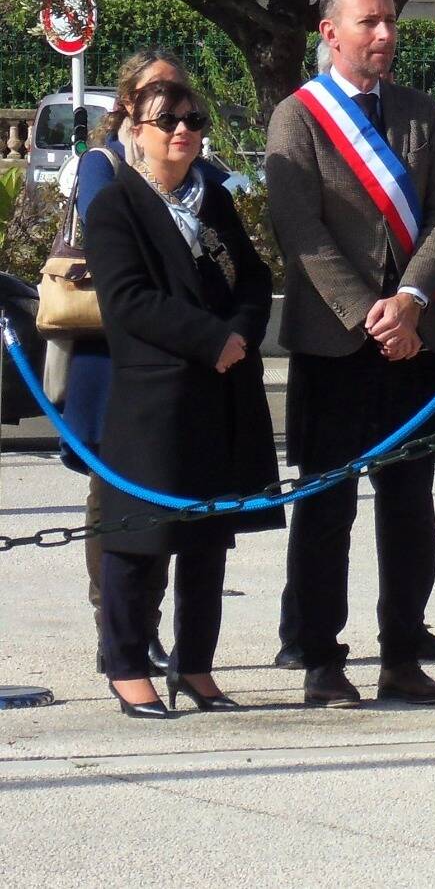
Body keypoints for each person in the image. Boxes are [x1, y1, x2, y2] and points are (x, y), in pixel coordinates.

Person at [266, 0, 435, 708]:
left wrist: (410, 301)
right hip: (335, 346)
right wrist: (367, 313)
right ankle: (321, 655)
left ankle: (402, 654)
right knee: (327, 511)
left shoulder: (417, 114)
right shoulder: (299, 118)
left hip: (411, 345)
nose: (385, 35)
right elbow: (301, 232)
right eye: (370, 22)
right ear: (332, 33)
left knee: (411, 506)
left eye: (390, 21)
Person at [85, 79, 280, 717]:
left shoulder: (215, 199)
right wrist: (210, 339)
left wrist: (240, 337)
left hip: (223, 387)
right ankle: (126, 666)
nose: (183, 130)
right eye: (166, 119)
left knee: (207, 540)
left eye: (194, 119)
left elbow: (254, 278)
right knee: (139, 538)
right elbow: (129, 300)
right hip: (157, 393)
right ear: (133, 128)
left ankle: (197, 666)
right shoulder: (117, 203)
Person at [67, 47, 229, 678]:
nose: (178, 117)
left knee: (184, 501)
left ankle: (164, 640)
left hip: (189, 358)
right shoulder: (104, 169)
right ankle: (119, 624)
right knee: (119, 494)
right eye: (157, 96)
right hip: (114, 352)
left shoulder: (204, 182)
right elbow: (131, 272)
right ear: (130, 106)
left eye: (184, 100)